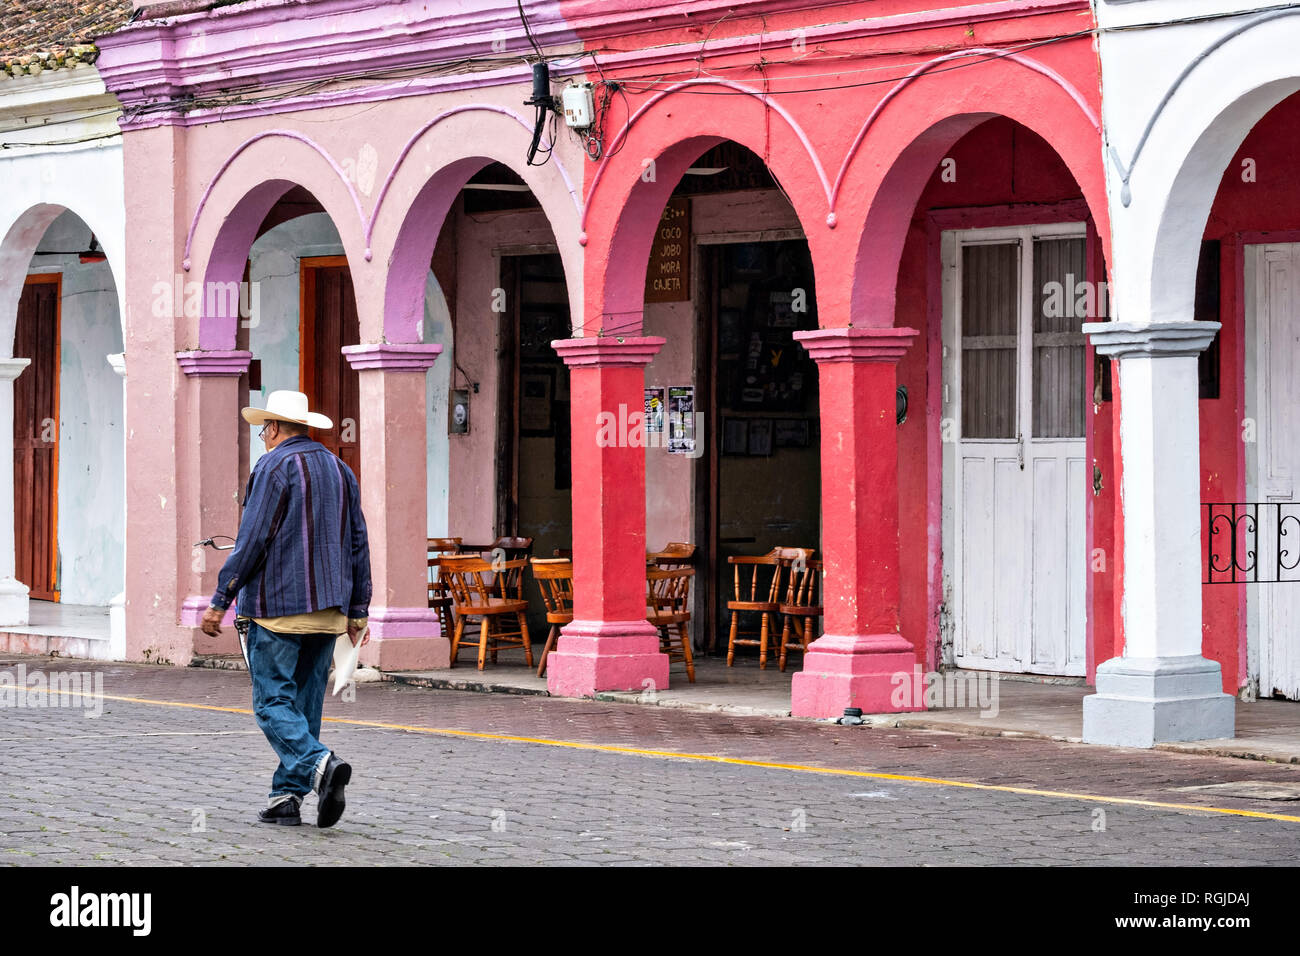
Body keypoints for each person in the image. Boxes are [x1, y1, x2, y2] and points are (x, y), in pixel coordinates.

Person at [199, 390, 371, 828]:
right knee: (304, 703)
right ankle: (285, 799)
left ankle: (320, 765)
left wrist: (222, 597)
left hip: (277, 606)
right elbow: (357, 539)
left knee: (272, 702)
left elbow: (253, 539)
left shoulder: (273, 466)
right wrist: (358, 609)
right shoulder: (340, 468)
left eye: (263, 430)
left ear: (274, 428)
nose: (262, 437)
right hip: (329, 610)